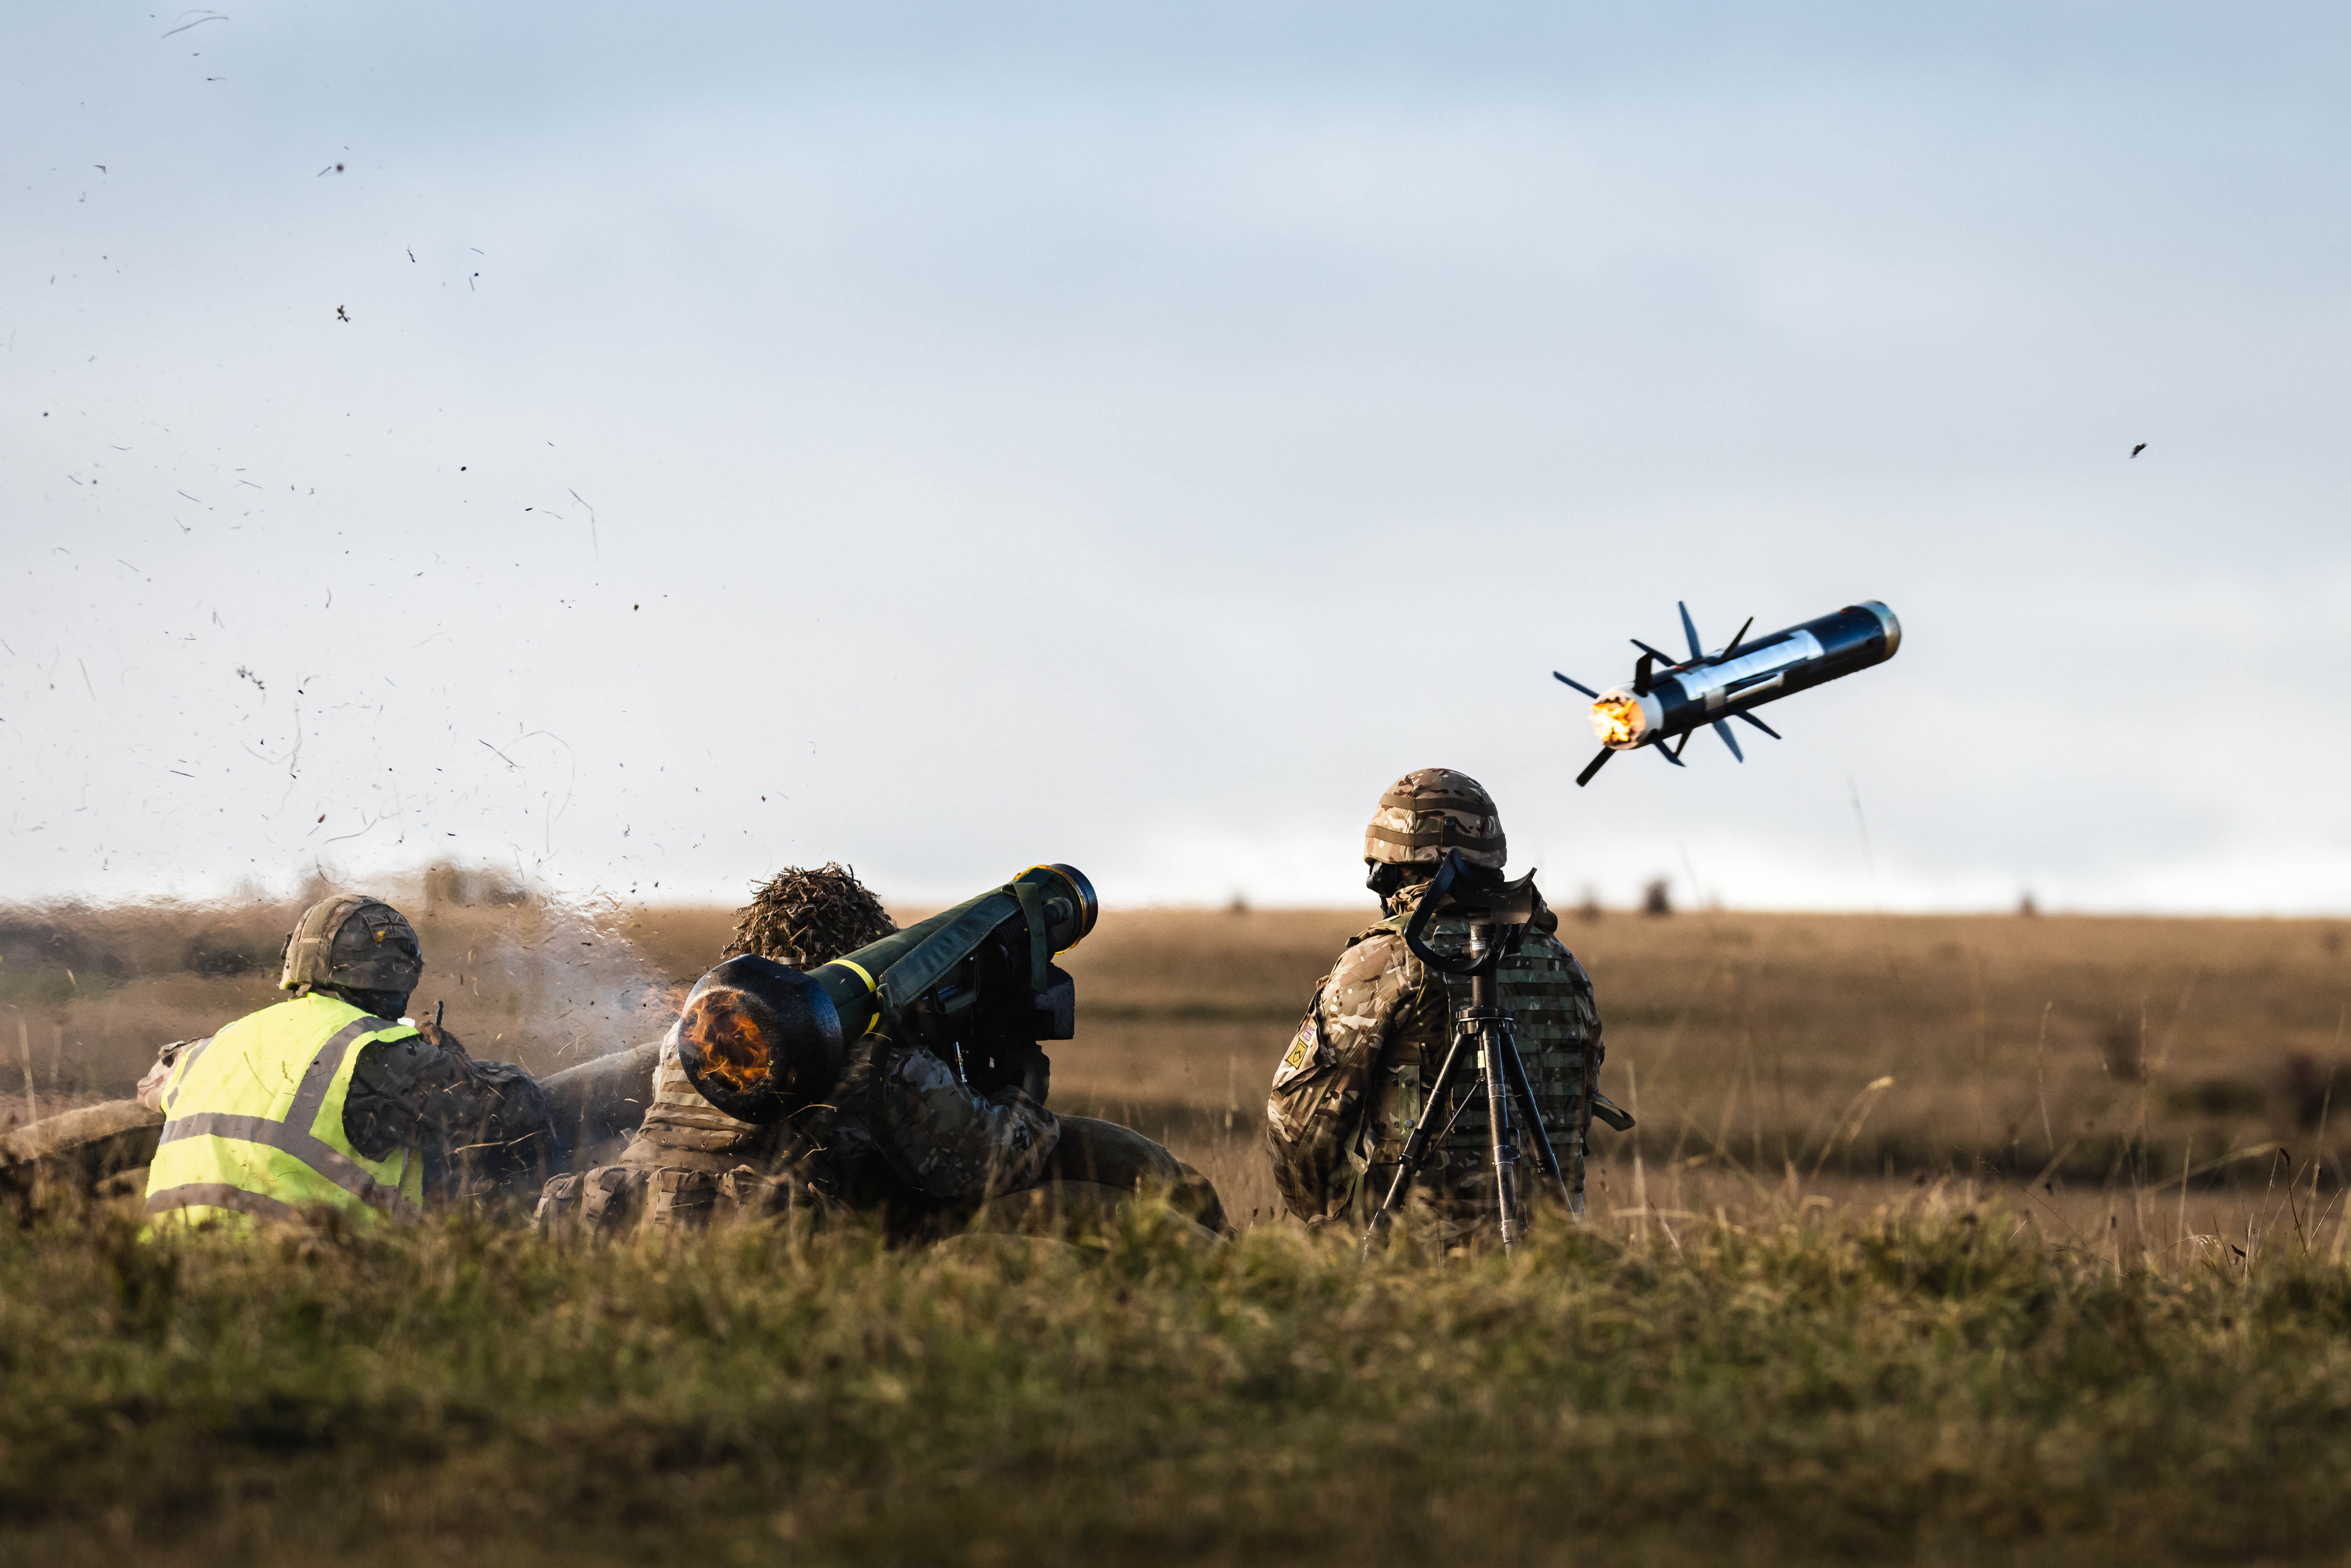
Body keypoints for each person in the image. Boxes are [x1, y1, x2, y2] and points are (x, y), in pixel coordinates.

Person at [538, 864, 1224, 1237]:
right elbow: (987, 1165)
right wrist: (1010, 1084)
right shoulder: (868, 1053)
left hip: (630, 1228)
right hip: (780, 1250)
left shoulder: (696, 1038)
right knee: (1091, 1201)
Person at [1264, 768, 1618, 1234]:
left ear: (1390, 867)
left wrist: (1333, 1220)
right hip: (1549, 1253)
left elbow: (1300, 1126)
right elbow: (1577, 1113)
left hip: (1414, 1256)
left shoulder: (1385, 959)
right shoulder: (1564, 965)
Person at [140, 894, 554, 1231]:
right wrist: (446, 1056)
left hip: (166, 1275)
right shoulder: (372, 1053)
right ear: (400, 973)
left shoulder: (216, 1043)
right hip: (295, 1278)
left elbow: (153, 1087)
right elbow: (517, 1106)